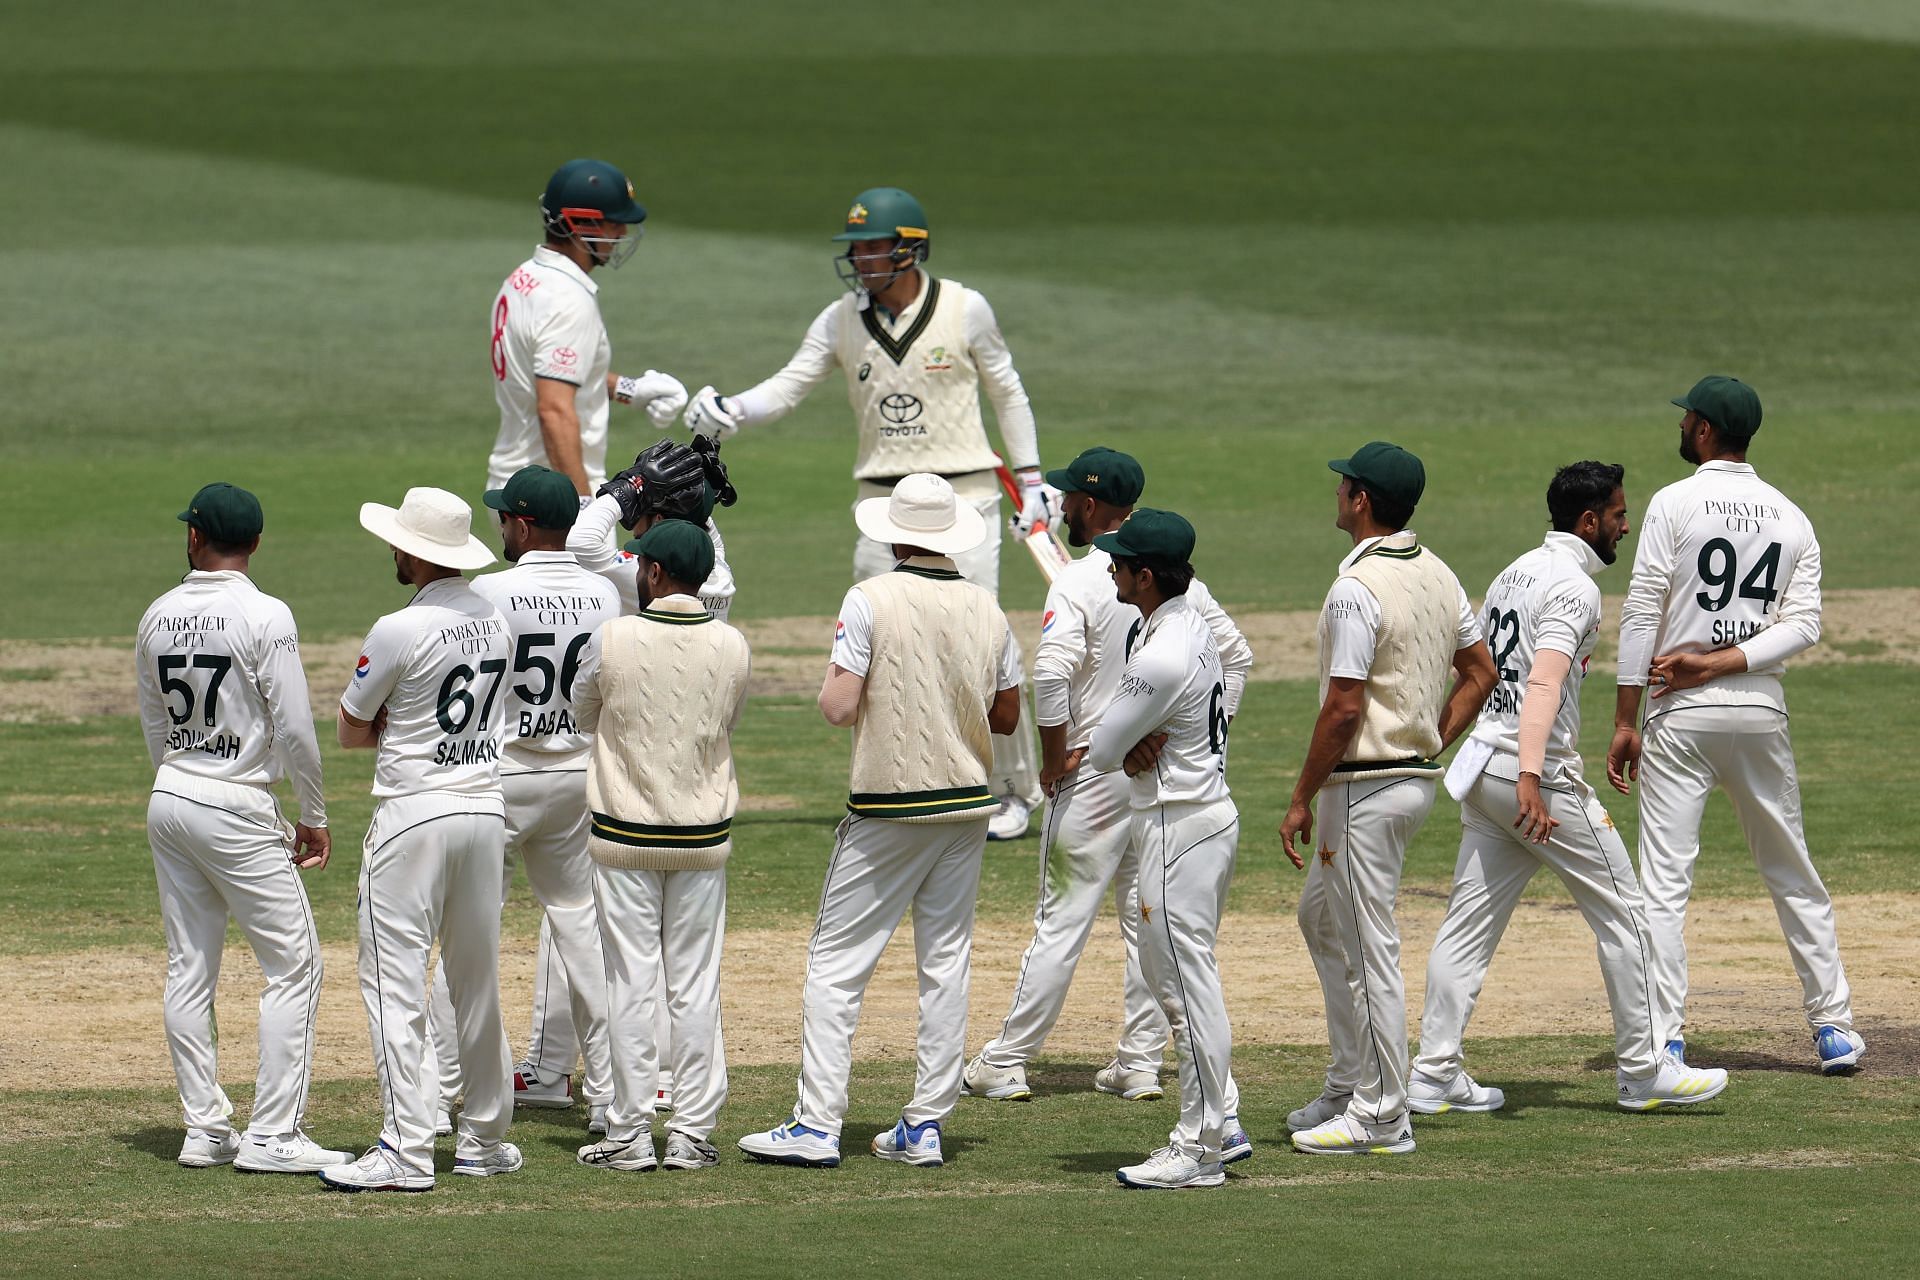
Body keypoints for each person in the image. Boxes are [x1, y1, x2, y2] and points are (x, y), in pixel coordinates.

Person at [682, 186, 1045, 839]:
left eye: (871, 247)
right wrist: (730, 411)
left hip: (966, 494)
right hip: (879, 502)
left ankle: (1015, 791)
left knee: (983, 644)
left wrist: (1033, 481)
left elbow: (1008, 393)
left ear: (910, 250)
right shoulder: (840, 319)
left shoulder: (966, 309)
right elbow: (788, 387)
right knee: (874, 643)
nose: (859, 259)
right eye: (856, 248)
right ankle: (888, 783)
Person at [963, 449, 1253, 1157]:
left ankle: (1006, 1060)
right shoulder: (1187, 586)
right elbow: (1236, 662)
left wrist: (1054, 762)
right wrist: (1193, 739)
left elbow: (1051, 672)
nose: (1061, 504)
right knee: (1142, 924)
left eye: (1068, 497)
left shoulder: (1079, 581)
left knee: (1062, 917)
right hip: (1162, 780)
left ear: (1092, 508)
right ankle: (1138, 1063)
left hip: (1094, 774)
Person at [1417, 463, 1730, 1113]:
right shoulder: (1574, 589)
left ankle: (1433, 1071)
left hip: (1484, 771)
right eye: (1618, 514)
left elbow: (1480, 667)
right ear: (1589, 522)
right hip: (1534, 780)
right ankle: (1645, 1072)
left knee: (1467, 929)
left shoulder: (1516, 571)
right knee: (1628, 916)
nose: (1625, 524)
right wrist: (1534, 775)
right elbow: (1543, 683)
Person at [738, 474, 1023, 1169]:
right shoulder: (987, 607)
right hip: (965, 805)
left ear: (896, 534)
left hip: (890, 805)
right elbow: (1009, 716)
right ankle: (924, 1126)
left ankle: (815, 1125)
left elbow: (838, 707)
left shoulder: (870, 598)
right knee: (945, 964)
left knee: (836, 966)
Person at [1608, 377, 1863, 1075]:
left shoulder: (1673, 502)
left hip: (1679, 714)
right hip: (1758, 710)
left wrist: (1626, 716)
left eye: (1688, 417)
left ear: (1705, 430)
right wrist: (1726, 662)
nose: (1683, 424)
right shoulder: (1792, 515)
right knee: (1791, 868)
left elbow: (1640, 611)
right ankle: (1834, 1027)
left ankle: (1664, 1038)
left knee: (1664, 883)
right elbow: (1804, 626)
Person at [506, 438, 743, 1120]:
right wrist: (660, 495)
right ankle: (553, 1069)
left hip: (630, 787)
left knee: (628, 956)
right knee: (593, 932)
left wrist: (623, 489)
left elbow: (583, 543)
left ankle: (647, 1091)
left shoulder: (642, 575)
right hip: (696, 786)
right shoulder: (706, 567)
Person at [1281, 441, 1496, 1156]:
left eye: (1344, 483)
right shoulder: (1437, 573)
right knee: (1321, 918)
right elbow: (1481, 670)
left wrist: (1300, 796)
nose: (1336, 490)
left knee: (1369, 947)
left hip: (1365, 786)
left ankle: (1382, 1113)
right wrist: (1433, 736)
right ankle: (1350, 1082)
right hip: (1406, 782)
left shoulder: (1356, 588)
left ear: (1361, 499)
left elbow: (1343, 708)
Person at [135, 483, 349, 1174]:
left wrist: (178, 779)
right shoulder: (265, 614)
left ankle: (205, 1129)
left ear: (194, 538)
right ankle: (274, 1136)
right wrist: (312, 815)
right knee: (297, 967)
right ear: (255, 543)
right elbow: (294, 726)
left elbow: (154, 726)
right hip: (234, 803)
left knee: (189, 966)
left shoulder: (157, 614)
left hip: (171, 796)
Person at [321, 488, 520, 1192]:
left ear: (413, 551)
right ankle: (486, 1140)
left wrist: (391, 727)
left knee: (394, 984)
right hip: (484, 810)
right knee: (476, 980)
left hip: (415, 813)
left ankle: (405, 1148)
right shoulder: (496, 617)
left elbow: (349, 730)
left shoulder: (397, 628)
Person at [423, 466, 619, 1135]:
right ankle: (616, 1096)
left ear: (526, 523)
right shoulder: (605, 594)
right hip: (578, 777)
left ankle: (436, 1094)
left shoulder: (487, 592)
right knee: (583, 930)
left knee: (467, 934)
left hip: (499, 777)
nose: (499, 524)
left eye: (505, 515)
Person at [573, 521, 751, 1173]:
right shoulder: (731, 644)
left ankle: (627, 1131)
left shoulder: (615, 636)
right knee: (695, 984)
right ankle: (691, 1132)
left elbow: (581, 712)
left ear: (651, 573)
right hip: (701, 835)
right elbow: (723, 722)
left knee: (630, 982)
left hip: (624, 833)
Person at [1076, 510, 1242, 1191]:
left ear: (1146, 577)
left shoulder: (1162, 651)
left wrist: (1136, 742)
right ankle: (1220, 1123)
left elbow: (1104, 750)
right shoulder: (1185, 622)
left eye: (1120, 563)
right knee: (1180, 985)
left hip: (1180, 828)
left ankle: (1200, 1148)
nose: (1110, 568)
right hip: (1190, 820)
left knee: (1186, 987)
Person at [486, 158, 688, 497]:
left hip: (517, 485)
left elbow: (551, 371)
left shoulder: (523, 278)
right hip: (549, 499)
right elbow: (554, 410)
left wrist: (629, 389)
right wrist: (580, 506)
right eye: (613, 224)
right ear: (582, 225)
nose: (622, 233)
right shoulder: (568, 300)